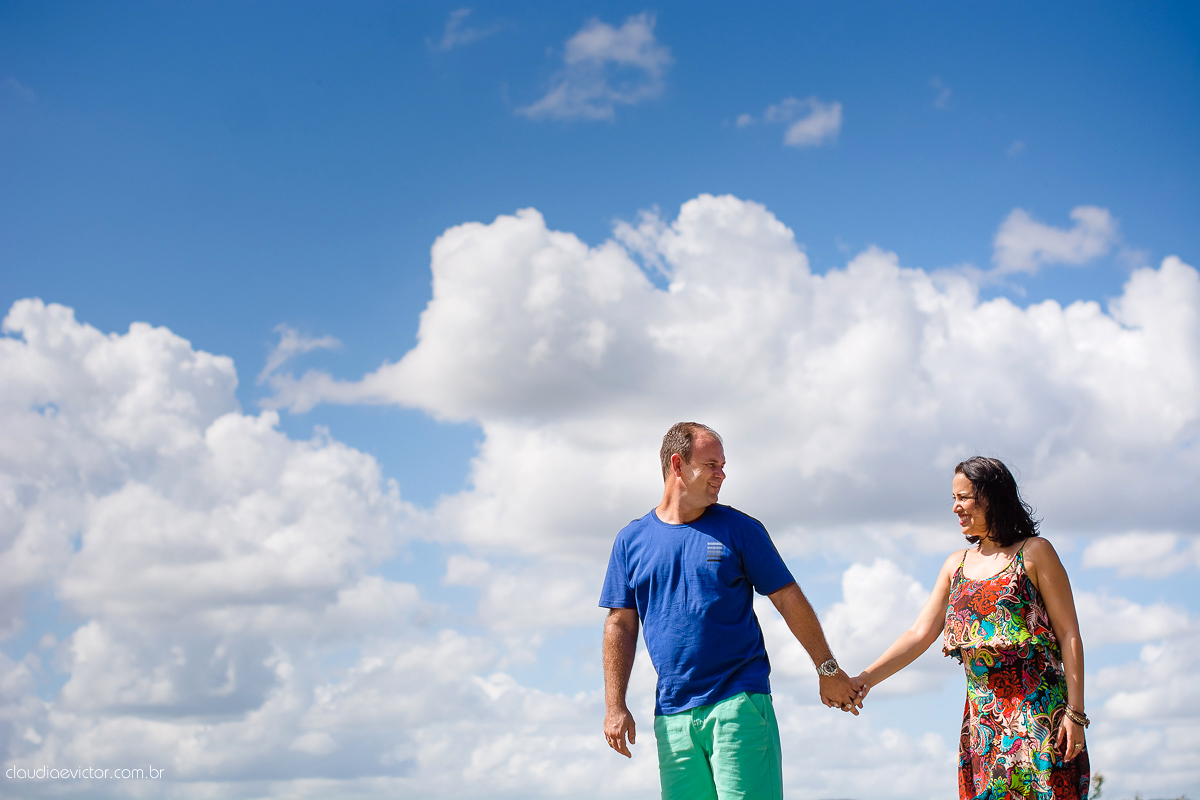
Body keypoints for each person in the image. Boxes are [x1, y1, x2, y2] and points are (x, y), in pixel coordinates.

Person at [600, 422, 863, 800]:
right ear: (678, 464)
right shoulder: (631, 541)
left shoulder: (741, 529)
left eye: (723, 465)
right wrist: (615, 705)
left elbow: (788, 599)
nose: (721, 475)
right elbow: (620, 625)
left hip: (739, 703)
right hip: (671, 716)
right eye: (711, 464)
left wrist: (827, 670)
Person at [855, 456, 1090, 800]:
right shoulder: (956, 565)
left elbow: (1069, 634)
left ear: (992, 497)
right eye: (953, 498)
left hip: (1043, 719)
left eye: (963, 497)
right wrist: (864, 680)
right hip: (983, 729)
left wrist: (1076, 714)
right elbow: (919, 634)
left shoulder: (1036, 553)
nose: (955, 508)